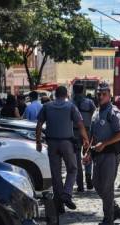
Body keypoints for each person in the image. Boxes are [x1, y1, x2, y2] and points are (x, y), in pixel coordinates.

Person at [36, 86, 89, 214]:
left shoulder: (47, 106)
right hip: (66, 143)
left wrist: (38, 142)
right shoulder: (71, 106)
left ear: (55, 94)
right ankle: (67, 193)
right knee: (73, 168)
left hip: (52, 143)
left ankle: (59, 204)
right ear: (66, 95)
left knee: (56, 174)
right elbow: (80, 124)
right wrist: (86, 139)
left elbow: (38, 125)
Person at [83, 82, 120, 225]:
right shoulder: (96, 112)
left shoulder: (113, 112)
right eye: (99, 94)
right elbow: (93, 136)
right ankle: (114, 208)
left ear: (109, 95)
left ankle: (108, 219)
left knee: (107, 187)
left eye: (104, 94)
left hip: (111, 154)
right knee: (97, 184)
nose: (100, 96)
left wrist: (105, 143)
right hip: (98, 154)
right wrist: (88, 152)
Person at [72, 84, 96, 192]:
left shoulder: (70, 103)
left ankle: (80, 183)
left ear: (73, 90)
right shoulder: (89, 102)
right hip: (87, 131)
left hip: (74, 132)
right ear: (83, 91)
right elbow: (95, 115)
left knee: (76, 157)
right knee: (88, 154)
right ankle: (88, 175)